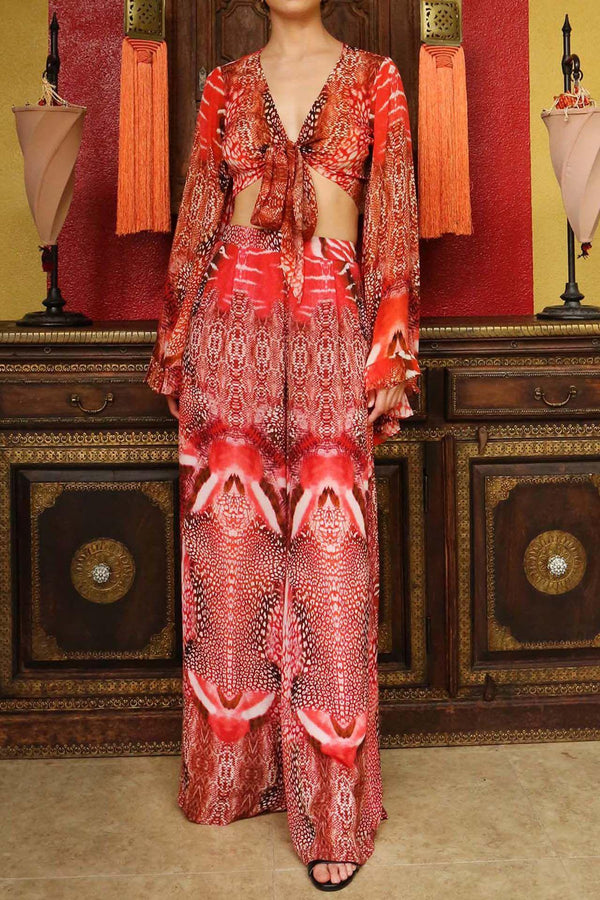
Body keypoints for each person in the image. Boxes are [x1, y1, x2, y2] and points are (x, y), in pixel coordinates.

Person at [145, 0, 421, 890]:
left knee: (333, 562)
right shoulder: (222, 86)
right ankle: (232, 778)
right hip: (232, 320)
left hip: (333, 319)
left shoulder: (377, 79)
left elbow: (391, 220)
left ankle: (335, 812)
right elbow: (199, 214)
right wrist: (177, 345)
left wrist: (390, 353)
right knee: (231, 556)